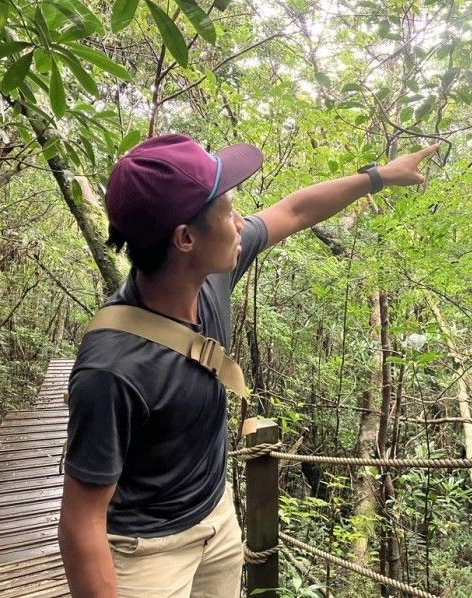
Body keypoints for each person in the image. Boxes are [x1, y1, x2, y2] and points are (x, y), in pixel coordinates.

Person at [58, 133, 438, 598]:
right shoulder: (111, 371)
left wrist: (380, 176)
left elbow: (295, 211)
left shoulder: (211, 272)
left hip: (216, 519)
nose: (241, 222)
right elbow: (81, 523)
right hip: (147, 554)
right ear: (185, 238)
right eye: (229, 210)